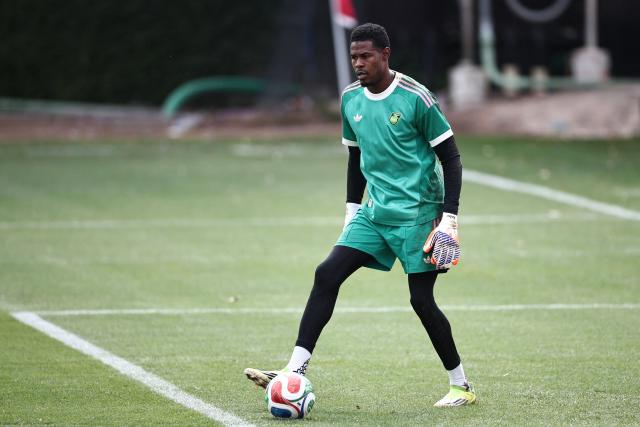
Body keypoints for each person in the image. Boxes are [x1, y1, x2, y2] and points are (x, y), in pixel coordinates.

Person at [245, 22, 476, 407]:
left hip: (419, 216)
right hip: (374, 213)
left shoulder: (416, 98)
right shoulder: (350, 98)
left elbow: (450, 158)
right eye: (354, 56)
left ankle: (461, 386)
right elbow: (355, 158)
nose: (358, 63)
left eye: (366, 56)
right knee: (327, 273)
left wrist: (449, 218)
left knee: (421, 301)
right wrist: (352, 212)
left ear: (385, 55)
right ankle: (294, 369)